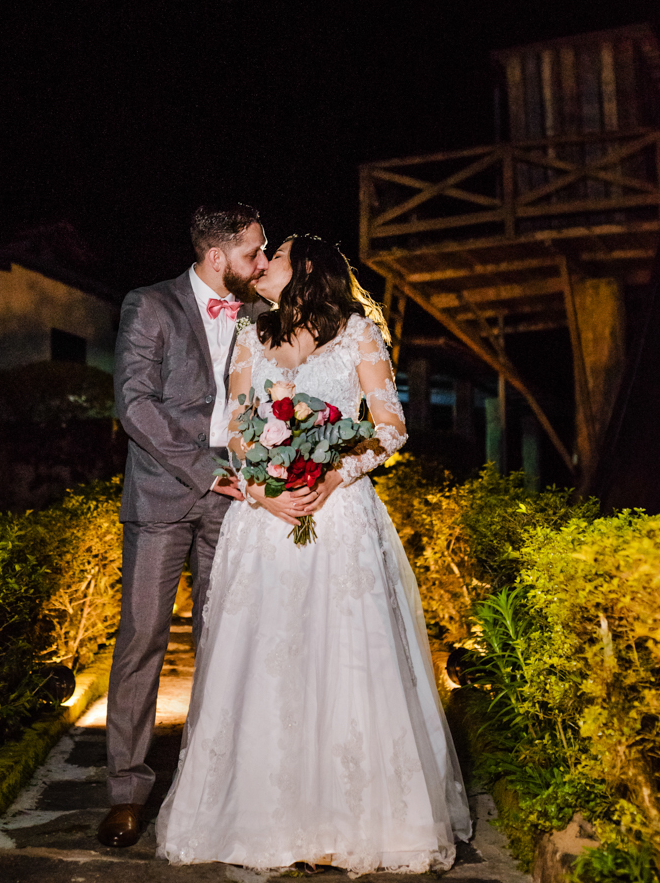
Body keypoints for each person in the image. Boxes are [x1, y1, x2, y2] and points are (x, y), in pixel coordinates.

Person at [157, 235, 472, 875]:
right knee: (271, 660)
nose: (263, 262)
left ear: (304, 271)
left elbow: (389, 428)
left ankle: (347, 822)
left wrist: (334, 475)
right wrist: (267, 491)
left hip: (340, 516)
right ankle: (270, 821)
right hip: (268, 520)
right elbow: (242, 435)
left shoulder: (358, 334)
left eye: (275, 255)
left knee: (347, 659)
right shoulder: (250, 336)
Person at [97, 203, 269, 849]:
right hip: (163, 497)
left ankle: (210, 786)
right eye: (253, 252)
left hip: (235, 501)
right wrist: (202, 469)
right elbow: (134, 406)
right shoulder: (149, 306)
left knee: (222, 642)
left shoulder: (257, 315)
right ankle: (126, 793)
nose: (260, 263)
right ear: (216, 256)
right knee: (142, 639)